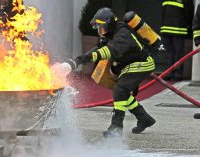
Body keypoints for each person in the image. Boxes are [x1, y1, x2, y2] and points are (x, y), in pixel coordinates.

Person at [63, 8, 158, 137]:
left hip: (142, 64)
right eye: (98, 28)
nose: (100, 31)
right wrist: (75, 62)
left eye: (102, 27)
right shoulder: (110, 33)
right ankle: (144, 118)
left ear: (109, 24)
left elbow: (107, 51)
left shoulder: (122, 34)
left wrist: (81, 60)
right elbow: (99, 48)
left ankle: (116, 126)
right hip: (130, 64)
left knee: (120, 90)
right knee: (121, 91)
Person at [161, 0, 194, 81]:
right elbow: (189, 15)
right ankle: (173, 74)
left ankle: (173, 74)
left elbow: (189, 14)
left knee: (173, 54)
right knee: (174, 53)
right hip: (173, 30)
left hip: (173, 30)